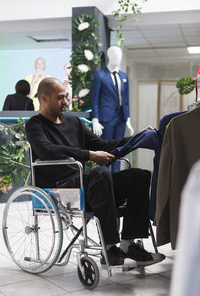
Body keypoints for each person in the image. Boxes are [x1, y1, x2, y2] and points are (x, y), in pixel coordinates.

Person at [25, 77, 165, 267]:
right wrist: (89, 155)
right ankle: (109, 248)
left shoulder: (73, 121)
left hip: (86, 185)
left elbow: (102, 145)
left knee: (139, 176)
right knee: (99, 173)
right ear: (44, 98)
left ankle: (127, 245)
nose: (65, 102)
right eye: (60, 98)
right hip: (59, 190)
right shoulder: (35, 125)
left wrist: (137, 138)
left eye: (65, 97)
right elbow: (46, 150)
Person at [91, 46, 134, 173]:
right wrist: (95, 119)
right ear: (110, 56)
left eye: (120, 55)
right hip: (106, 117)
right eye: (115, 55)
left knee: (119, 150)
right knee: (106, 150)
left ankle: (116, 178)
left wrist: (128, 119)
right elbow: (95, 99)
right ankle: (105, 177)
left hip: (121, 117)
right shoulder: (100, 75)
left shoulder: (123, 76)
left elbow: (126, 100)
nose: (118, 58)